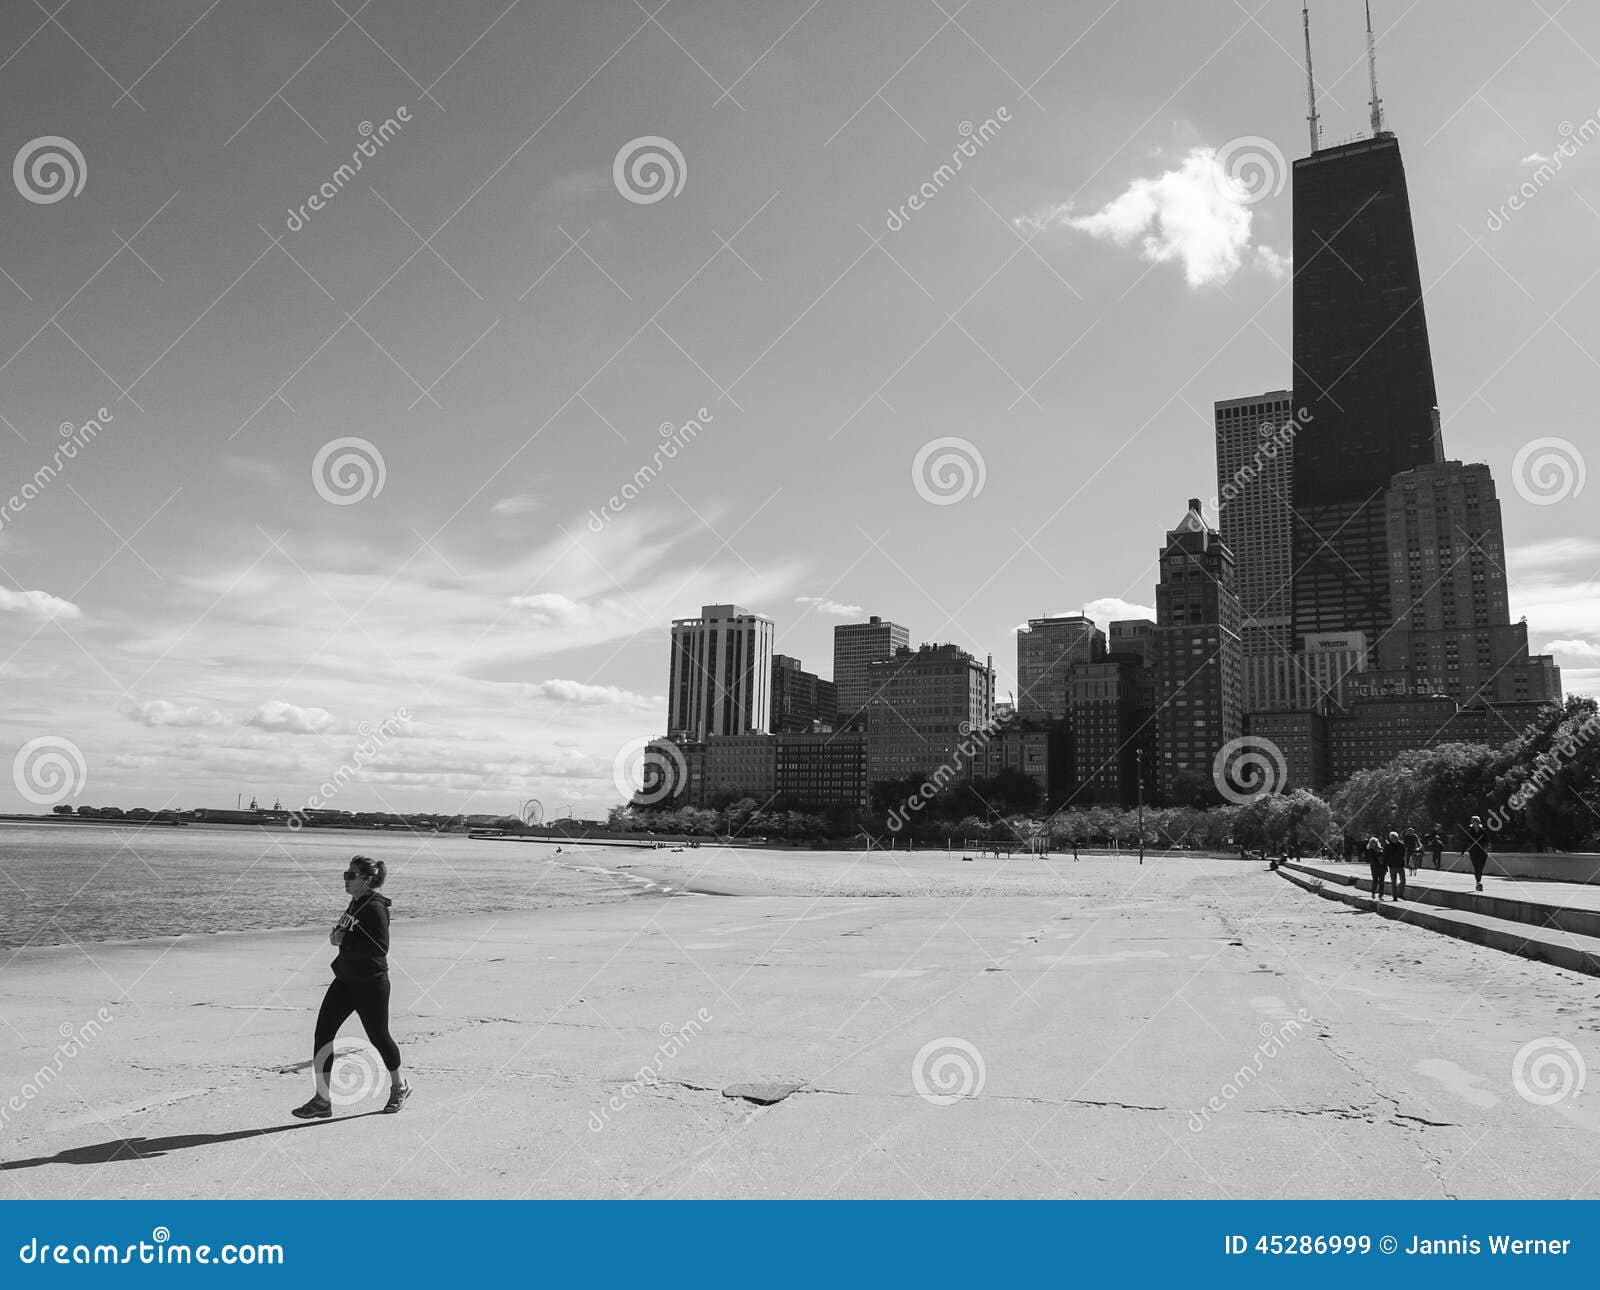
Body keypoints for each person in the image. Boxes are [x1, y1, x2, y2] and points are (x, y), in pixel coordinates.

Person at [292, 856, 410, 1119]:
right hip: (345, 980)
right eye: (346, 873)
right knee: (323, 1035)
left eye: (351, 875)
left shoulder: (375, 908)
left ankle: (399, 1086)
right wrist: (338, 936)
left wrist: (345, 939)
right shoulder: (356, 903)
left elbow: (380, 948)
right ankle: (322, 1100)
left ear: (366, 880)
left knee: (379, 1037)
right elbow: (350, 935)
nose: (345, 878)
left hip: (371, 983)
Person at [1461, 815, 1492, 892]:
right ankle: (1478, 882)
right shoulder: (1469, 832)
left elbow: (1487, 841)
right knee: (1476, 867)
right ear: (1472, 823)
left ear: (1479, 823)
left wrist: (1487, 848)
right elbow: (1465, 842)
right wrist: (1462, 851)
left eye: (1476, 822)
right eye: (1474, 822)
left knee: (1480, 868)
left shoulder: (1483, 831)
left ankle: (1479, 881)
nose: (1475, 823)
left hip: (1482, 851)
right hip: (1473, 851)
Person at [1383, 830, 1408, 901]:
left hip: (1400, 865)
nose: (1394, 839)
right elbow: (1385, 856)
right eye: (1392, 838)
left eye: (1396, 837)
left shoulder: (1401, 845)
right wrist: (1385, 866)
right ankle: (1395, 896)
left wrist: (1405, 863)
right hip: (1392, 866)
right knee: (1394, 882)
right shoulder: (1388, 846)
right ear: (1390, 839)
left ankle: (1400, 894)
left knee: (1403, 880)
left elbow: (1404, 855)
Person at [1365, 834, 1387, 900]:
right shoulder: (1370, 850)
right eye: (1373, 842)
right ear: (1371, 843)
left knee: (1382, 881)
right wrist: (1378, 853)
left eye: (1376, 842)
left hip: (1382, 867)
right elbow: (1372, 859)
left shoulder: (1381, 849)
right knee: (1375, 880)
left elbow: (1384, 858)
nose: (1375, 843)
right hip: (1375, 867)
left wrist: (1386, 867)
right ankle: (1373, 892)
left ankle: (1381, 894)